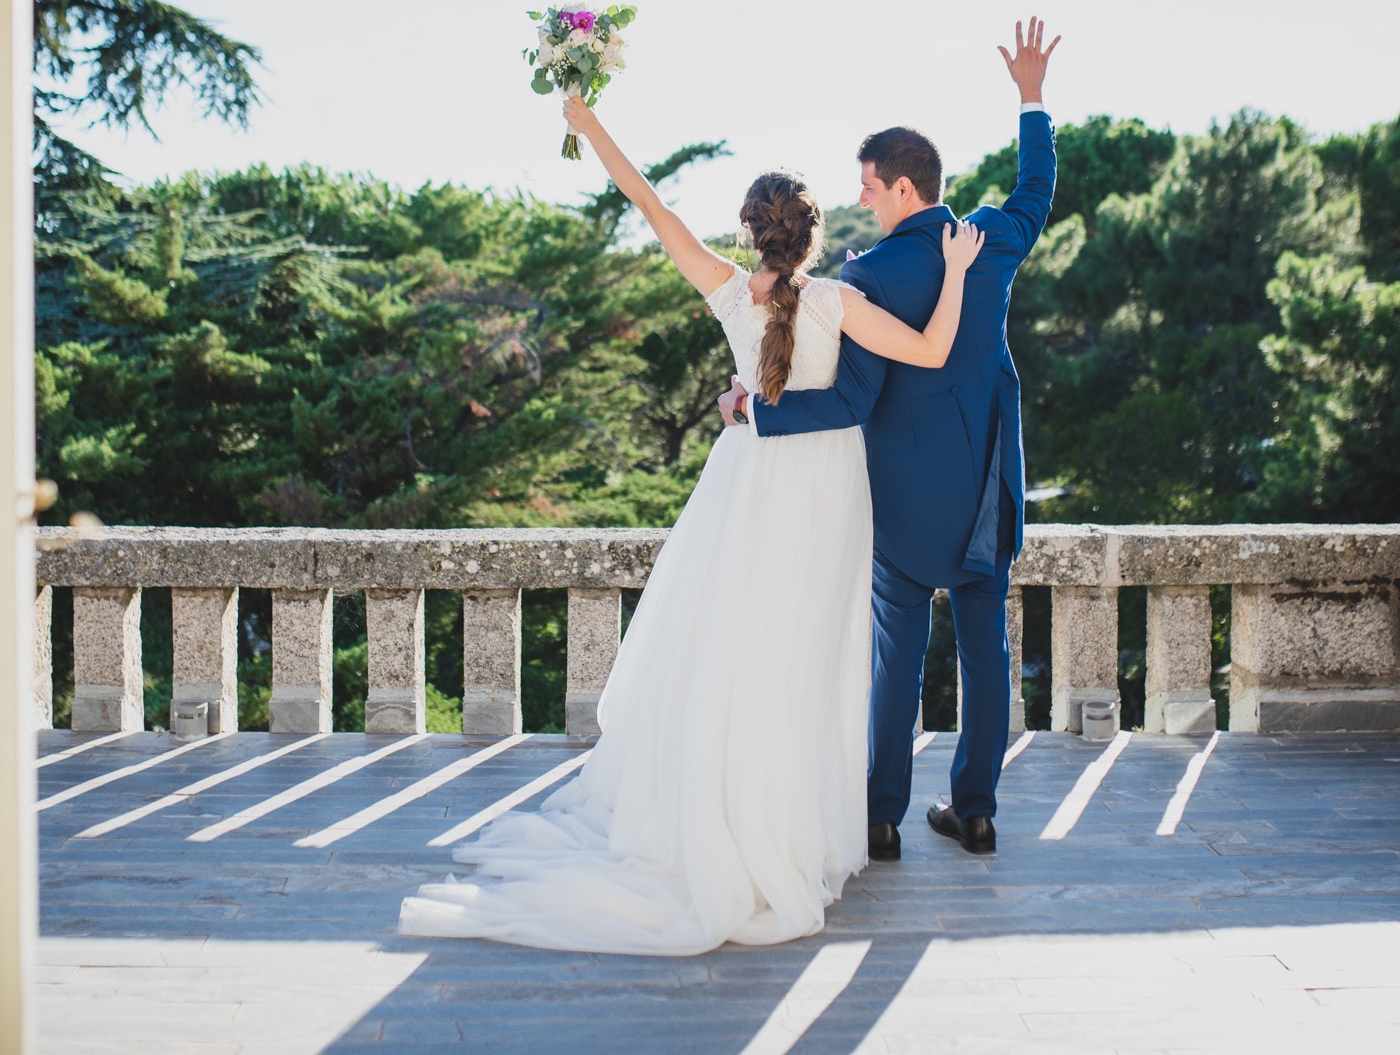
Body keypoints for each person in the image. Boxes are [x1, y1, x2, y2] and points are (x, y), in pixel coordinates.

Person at [397, 92, 984, 955]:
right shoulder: (839, 301)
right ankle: (791, 830)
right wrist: (961, 271)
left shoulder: (725, 290)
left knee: (734, 650)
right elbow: (933, 352)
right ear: (812, 236)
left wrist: (588, 124)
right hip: (827, 492)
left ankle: (724, 820)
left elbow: (650, 203)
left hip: (747, 482)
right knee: (805, 659)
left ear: (753, 234)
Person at [718, 16, 1060, 861]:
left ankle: (881, 818)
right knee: (986, 647)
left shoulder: (868, 276)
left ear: (903, 189)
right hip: (986, 482)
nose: (861, 198)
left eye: (869, 185)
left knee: (897, 660)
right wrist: (1030, 97)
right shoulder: (985, 241)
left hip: (902, 498)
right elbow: (1036, 193)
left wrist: (755, 411)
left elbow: (846, 401)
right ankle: (975, 810)